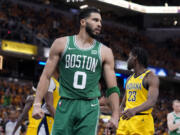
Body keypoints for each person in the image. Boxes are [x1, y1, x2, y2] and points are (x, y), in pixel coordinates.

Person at [32, 7, 120, 135]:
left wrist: (115, 115)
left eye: (100, 21)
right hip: (66, 102)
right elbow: (46, 76)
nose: (99, 24)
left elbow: (112, 88)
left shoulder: (105, 52)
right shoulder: (61, 43)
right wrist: (37, 104)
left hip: (90, 107)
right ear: (83, 22)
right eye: (95, 20)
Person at [116, 47, 159, 135]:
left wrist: (134, 110)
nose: (127, 60)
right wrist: (115, 118)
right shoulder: (129, 79)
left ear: (135, 57)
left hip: (142, 122)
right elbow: (124, 103)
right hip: (125, 122)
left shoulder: (150, 77)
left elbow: (152, 101)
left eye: (129, 57)